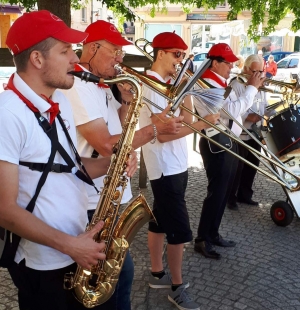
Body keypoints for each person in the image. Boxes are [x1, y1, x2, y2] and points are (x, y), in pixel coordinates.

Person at [0, 10, 138, 310]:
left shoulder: (58, 99)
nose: (76, 59)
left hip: (76, 247)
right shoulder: (6, 114)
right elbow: (4, 209)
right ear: (37, 59)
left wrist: (112, 166)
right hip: (43, 262)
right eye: (65, 51)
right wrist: (71, 246)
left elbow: (68, 167)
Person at [62, 20, 183, 309]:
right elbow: (106, 144)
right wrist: (155, 129)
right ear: (92, 48)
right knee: (112, 279)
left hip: (110, 189)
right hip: (91, 197)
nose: (121, 58)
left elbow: (120, 132)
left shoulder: (101, 84)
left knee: (122, 276)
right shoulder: (78, 85)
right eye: (115, 50)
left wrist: (127, 101)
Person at [139, 32, 220, 310]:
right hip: (163, 167)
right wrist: (205, 124)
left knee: (159, 220)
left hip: (176, 165)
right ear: (160, 53)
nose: (180, 61)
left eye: (183, 57)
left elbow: (185, 119)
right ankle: (176, 286)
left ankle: (157, 273)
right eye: (176, 55)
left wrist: (187, 88)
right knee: (180, 231)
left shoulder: (170, 84)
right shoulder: (151, 85)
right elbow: (162, 135)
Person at [193, 43, 264, 260]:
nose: (232, 66)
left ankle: (213, 233)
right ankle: (202, 239)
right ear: (215, 63)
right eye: (228, 62)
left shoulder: (220, 82)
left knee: (224, 193)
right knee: (216, 193)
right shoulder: (206, 83)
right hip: (216, 143)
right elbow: (232, 112)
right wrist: (252, 88)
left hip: (229, 140)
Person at [227, 54, 276, 210]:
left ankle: (245, 195)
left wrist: (269, 112)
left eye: (261, 71)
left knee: (252, 165)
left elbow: (264, 105)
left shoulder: (260, 85)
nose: (259, 75)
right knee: (237, 167)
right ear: (246, 69)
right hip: (240, 132)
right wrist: (248, 116)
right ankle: (230, 198)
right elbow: (231, 109)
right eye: (255, 71)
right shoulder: (236, 84)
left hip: (254, 133)